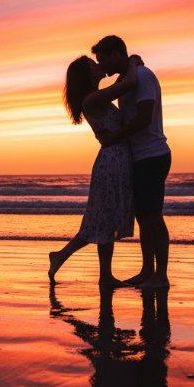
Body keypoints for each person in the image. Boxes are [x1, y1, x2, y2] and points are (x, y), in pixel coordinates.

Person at [49, 54, 140, 286]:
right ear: (88, 74)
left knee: (103, 220)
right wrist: (132, 62)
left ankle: (96, 272)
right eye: (93, 64)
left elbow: (121, 85)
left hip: (116, 159)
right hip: (111, 162)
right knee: (102, 219)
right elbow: (128, 84)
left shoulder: (97, 97)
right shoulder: (92, 100)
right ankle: (100, 274)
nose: (99, 65)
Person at [92, 35, 172, 289]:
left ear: (117, 53)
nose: (101, 65)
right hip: (138, 157)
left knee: (153, 217)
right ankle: (147, 270)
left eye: (102, 58)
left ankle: (161, 275)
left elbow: (144, 118)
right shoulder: (126, 79)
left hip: (152, 154)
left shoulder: (144, 76)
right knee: (144, 217)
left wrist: (115, 137)